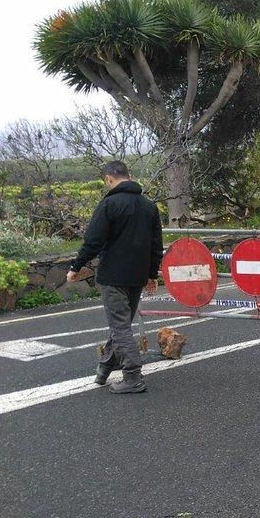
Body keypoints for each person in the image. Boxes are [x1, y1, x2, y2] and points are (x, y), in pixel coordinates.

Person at [67, 160, 163, 394]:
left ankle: (133, 377)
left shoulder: (109, 204)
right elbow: (156, 245)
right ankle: (106, 367)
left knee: (119, 326)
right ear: (128, 176)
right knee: (122, 324)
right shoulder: (149, 206)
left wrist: (76, 266)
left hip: (113, 275)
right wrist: (152, 274)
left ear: (109, 179)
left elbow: (93, 240)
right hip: (138, 275)